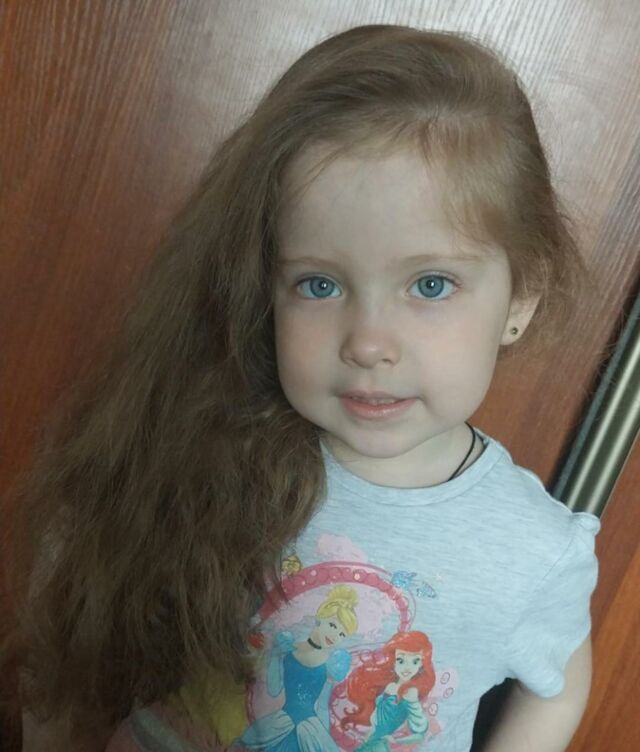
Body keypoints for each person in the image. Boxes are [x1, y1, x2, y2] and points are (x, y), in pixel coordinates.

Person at [1, 23, 600, 752]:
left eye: (430, 285)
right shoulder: (206, 445)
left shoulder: (535, 550)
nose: (367, 343)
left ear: (522, 295)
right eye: (319, 284)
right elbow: (73, 599)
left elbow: (558, 686)